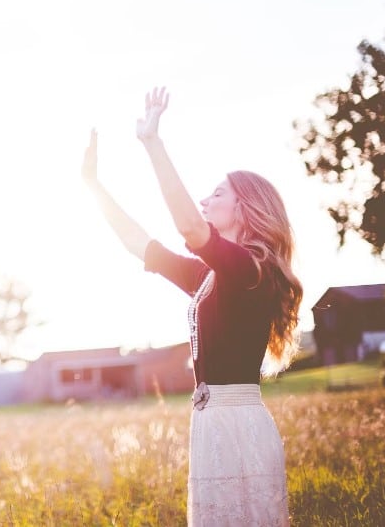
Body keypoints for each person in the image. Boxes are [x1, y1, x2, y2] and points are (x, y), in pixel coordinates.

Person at [81, 87, 301, 526]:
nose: (205, 201)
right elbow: (139, 244)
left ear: (246, 207)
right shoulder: (211, 276)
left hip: (239, 426)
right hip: (210, 425)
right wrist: (93, 186)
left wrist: (152, 143)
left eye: (216, 194)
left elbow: (189, 226)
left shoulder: (252, 269)